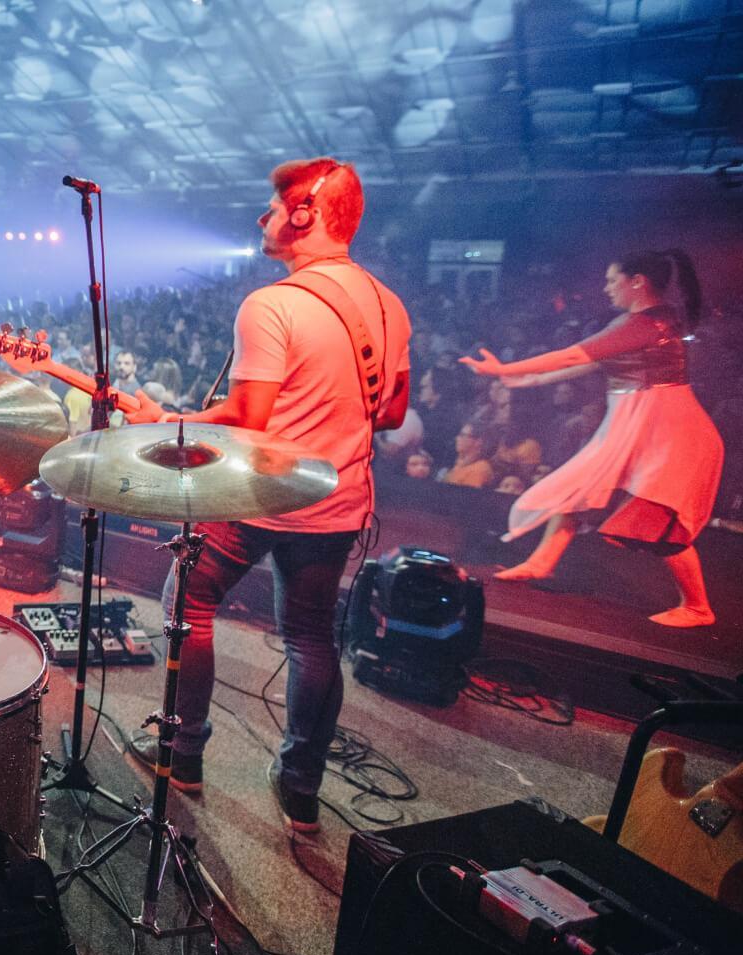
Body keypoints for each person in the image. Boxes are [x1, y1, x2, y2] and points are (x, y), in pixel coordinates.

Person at [115, 157, 411, 834]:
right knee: (310, 638)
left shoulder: (273, 304)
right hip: (336, 501)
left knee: (188, 601)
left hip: (259, 495)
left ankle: (182, 755)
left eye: (273, 208)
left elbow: (248, 419)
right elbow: (391, 412)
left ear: (306, 214)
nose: (262, 217)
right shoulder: (389, 306)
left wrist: (169, 419)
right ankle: (301, 789)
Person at [460, 249, 722, 627]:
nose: (606, 288)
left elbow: (573, 356)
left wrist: (506, 368)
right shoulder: (638, 323)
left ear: (637, 282)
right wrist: (524, 379)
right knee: (580, 488)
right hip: (637, 428)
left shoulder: (648, 323)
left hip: (671, 437)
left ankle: (698, 607)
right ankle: (541, 562)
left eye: (612, 280)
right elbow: (592, 363)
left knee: (658, 523)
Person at [442, 423, 497, 488]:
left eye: (462, 435)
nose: (457, 438)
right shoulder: (461, 463)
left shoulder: (478, 470)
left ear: (478, 442)